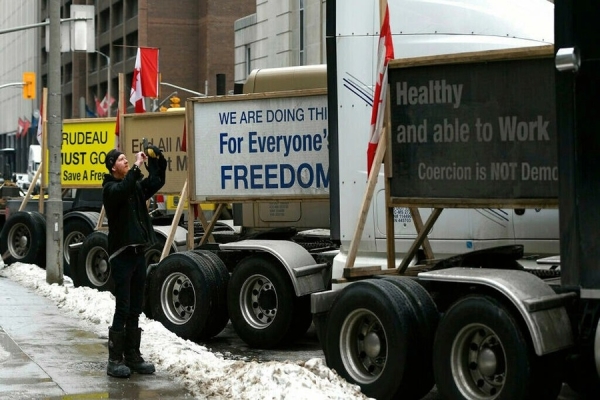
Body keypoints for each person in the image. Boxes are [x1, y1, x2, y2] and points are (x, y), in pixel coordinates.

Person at [102, 145, 167, 378]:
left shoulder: (134, 187)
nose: (126, 160)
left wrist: (157, 160)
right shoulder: (110, 189)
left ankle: (133, 356)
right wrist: (138, 166)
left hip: (138, 254)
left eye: (126, 158)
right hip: (121, 255)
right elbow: (123, 188)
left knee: (136, 307)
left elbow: (156, 181)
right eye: (121, 159)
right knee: (124, 307)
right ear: (113, 167)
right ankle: (114, 359)